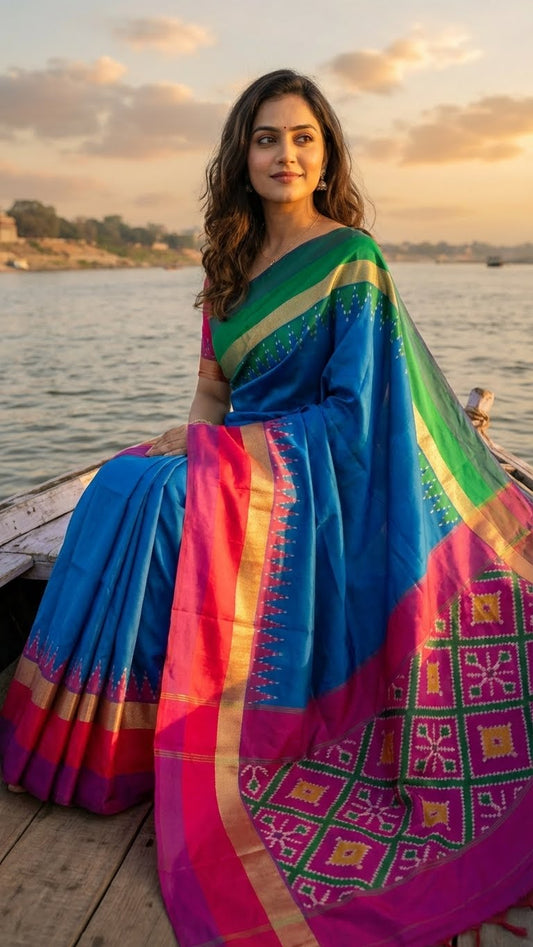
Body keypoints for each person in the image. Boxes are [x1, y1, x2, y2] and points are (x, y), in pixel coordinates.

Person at [1, 69, 533, 947]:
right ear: (240, 156)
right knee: (122, 485)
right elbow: (211, 394)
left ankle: (172, 733)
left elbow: (355, 417)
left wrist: (218, 456)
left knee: (164, 500)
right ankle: (107, 739)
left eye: (302, 137)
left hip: (313, 475)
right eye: (266, 137)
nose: (285, 154)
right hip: (241, 459)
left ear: (325, 156)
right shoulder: (229, 264)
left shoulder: (351, 259)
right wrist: (192, 439)